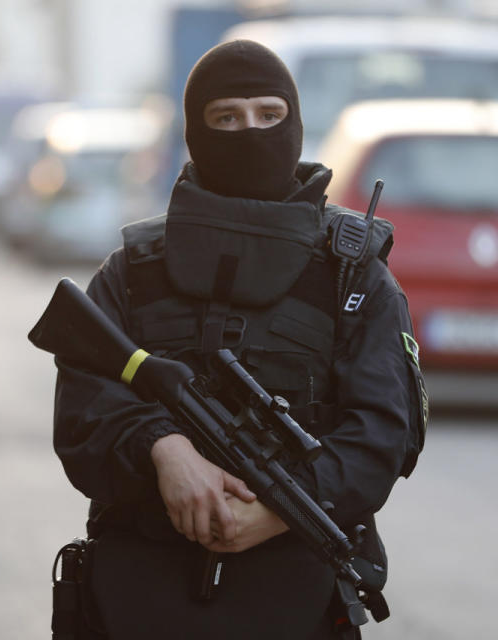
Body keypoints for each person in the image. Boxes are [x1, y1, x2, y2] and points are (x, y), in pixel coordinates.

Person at [52, 39, 426, 639]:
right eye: (225, 117)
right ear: (196, 131)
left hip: (296, 596)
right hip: (138, 598)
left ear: (296, 124)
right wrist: (164, 449)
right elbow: (82, 414)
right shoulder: (134, 271)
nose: (249, 132)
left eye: (268, 115)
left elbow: (381, 433)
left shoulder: (353, 276)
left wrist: (279, 511)